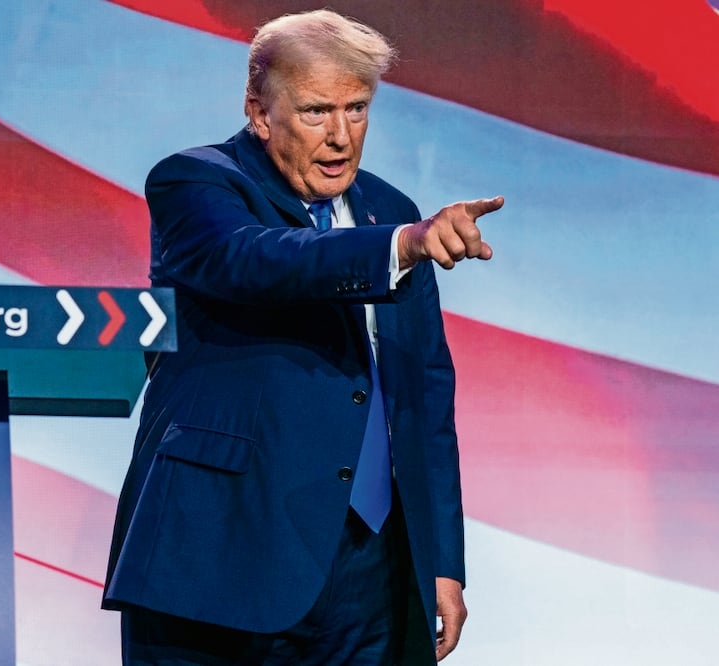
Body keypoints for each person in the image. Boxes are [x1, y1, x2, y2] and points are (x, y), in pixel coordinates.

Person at [103, 8, 502, 664]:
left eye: (357, 109)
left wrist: (440, 562)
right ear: (259, 113)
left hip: (367, 568)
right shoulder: (198, 182)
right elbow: (256, 260)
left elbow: (422, 398)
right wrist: (401, 246)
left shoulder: (393, 212)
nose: (341, 136)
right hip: (220, 550)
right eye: (316, 111)